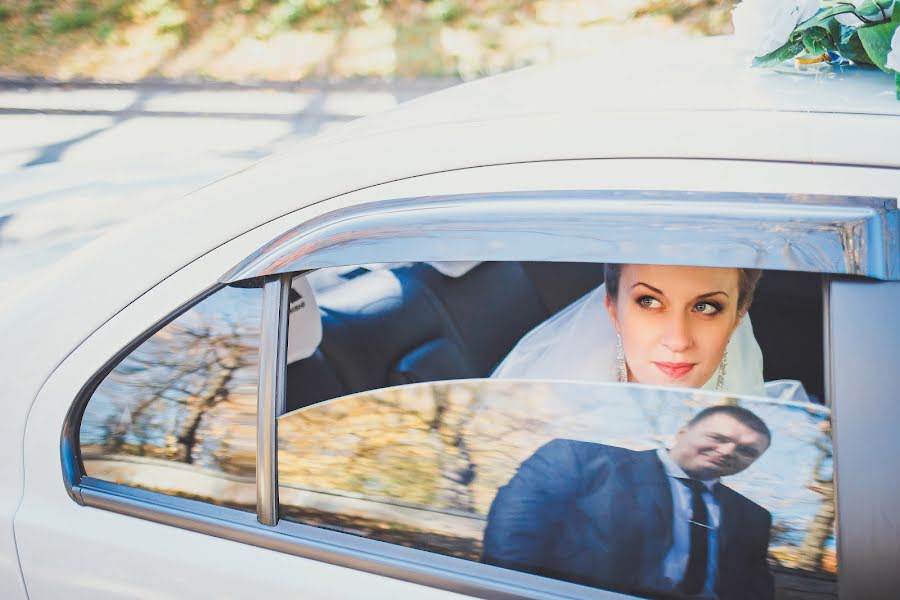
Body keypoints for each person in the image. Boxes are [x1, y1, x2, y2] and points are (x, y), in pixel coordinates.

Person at [482, 405, 774, 600]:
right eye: (718, 437)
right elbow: (511, 541)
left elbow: (755, 586)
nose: (727, 451)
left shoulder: (753, 516)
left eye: (747, 451)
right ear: (683, 432)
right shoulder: (581, 460)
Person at [493, 264, 767, 396]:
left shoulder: (741, 403)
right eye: (649, 302)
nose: (678, 341)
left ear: (737, 318)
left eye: (706, 307)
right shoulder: (561, 412)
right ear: (613, 311)